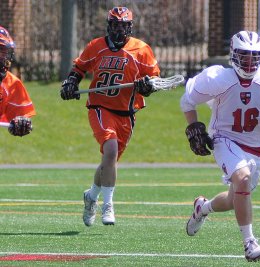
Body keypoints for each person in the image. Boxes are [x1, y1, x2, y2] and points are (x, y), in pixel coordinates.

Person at [180, 31, 260, 262]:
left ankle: (202, 208)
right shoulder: (217, 78)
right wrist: (194, 125)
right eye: (244, 56)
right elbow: (187, 100)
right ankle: (249, 243)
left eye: (254, 57)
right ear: (233, 55)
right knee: (242, 178)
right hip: (226, 139)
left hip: (258, 146)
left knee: (232, 199)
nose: (249, 62)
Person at [60, 7, 160, 226]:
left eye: (123, 25)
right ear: (109, 25)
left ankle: (91, 196)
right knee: (111, 149)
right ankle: (108, 205)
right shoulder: (96, 46)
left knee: (109, 159)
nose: (119, 29)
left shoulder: (141, 50)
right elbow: (79, 68)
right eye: (115, 25)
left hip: (126, 112)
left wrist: (146, 86)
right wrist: (70, 83)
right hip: (100, 106)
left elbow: (153, 81)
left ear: (130, 27)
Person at [0, 26, 35, 137]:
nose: (3, 57)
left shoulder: (11, 83)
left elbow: (20, 116)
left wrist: (20, 124)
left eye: (3, 52)